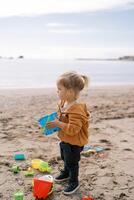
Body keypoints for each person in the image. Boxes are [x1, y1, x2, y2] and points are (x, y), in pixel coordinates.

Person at [46, 71, 90, 195]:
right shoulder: (63, 103)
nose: (57, 91)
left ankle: (74, 181)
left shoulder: (77, 110)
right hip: (65, 139)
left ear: (70, 92)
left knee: (72, 162)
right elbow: (61, 117)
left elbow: (73, 129)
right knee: (65, 157)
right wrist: (54, 120)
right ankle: (66, 173)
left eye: (59, 89)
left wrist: (58, 124)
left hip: (75, 142)